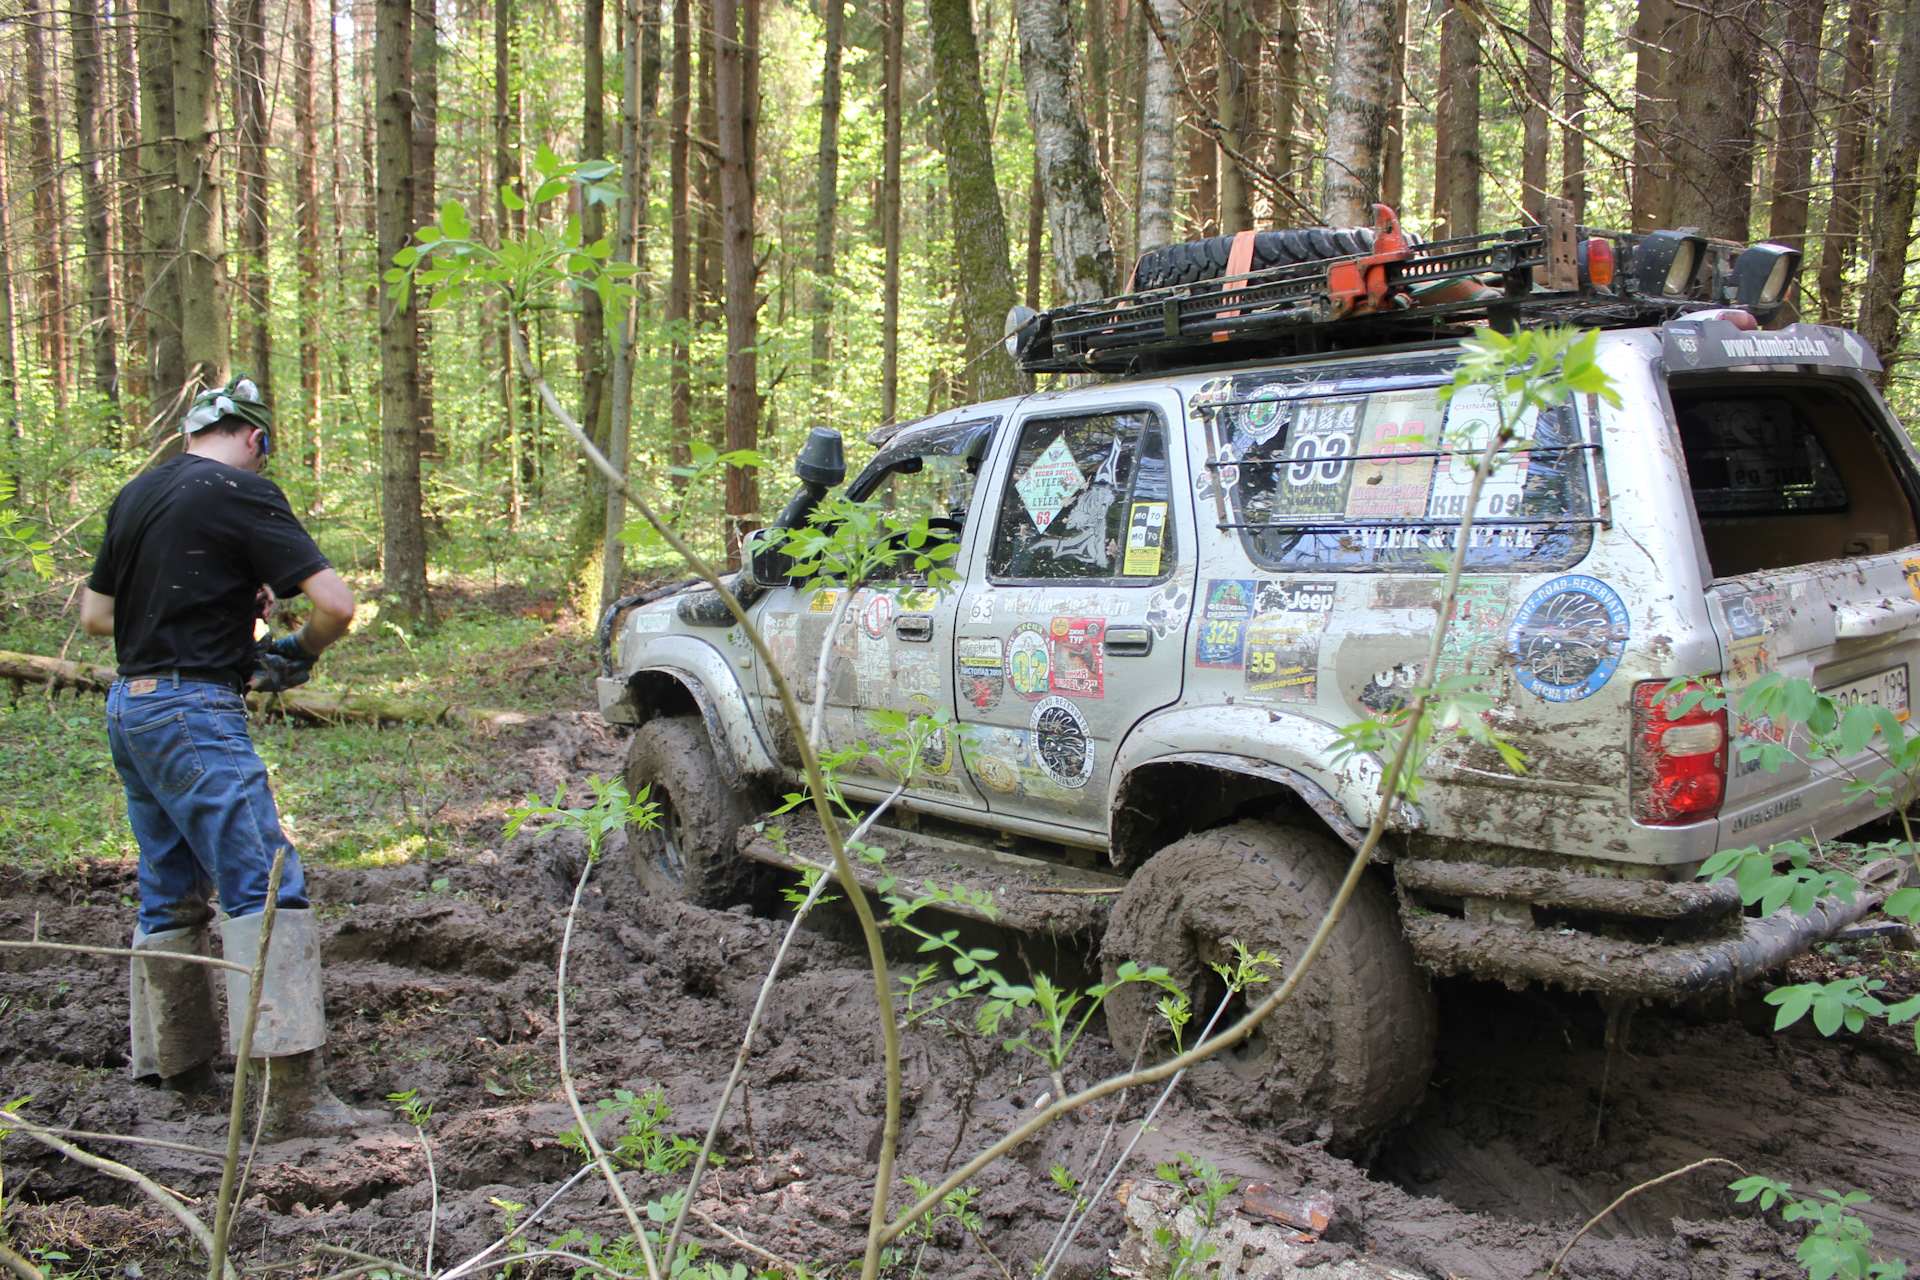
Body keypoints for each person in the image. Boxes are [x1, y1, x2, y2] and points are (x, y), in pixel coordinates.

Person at [79, 380, 385, 1139]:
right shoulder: (242, 492)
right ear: (255, 440)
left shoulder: (136, 495)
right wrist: (295, 652)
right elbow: (338, 606)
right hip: (192, 712)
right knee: (268, 882)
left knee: (170, 889)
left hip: (131, 707)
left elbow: (96, 617)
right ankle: (292, 1098)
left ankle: (174, 1067)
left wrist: (216, 607)